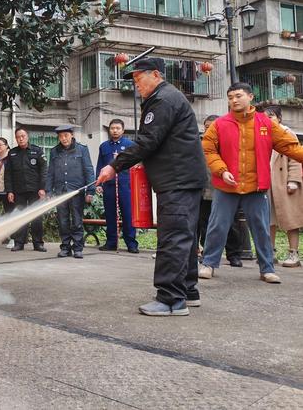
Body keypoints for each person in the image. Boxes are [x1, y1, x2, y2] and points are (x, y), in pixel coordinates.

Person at [97, 57, 208, 317]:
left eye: (138, 79)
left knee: (173, 237)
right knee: (185, 236)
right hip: (182, 179)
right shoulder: (166, 98)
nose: (136, 85)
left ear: (156, 74)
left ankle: (171, 299)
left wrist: (115, 165)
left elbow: (147, 141)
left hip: (177, 180)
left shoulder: (163, 100)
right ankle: (188, 290)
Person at [199, 83, 303, 284]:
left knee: (261, 228)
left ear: (250, 97)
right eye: (230, 97)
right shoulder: (219, 124)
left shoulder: (266, 123)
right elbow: (208, 150)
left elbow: (290, 147)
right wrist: (222, 170)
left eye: (238, 96)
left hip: (256, 186)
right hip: (226, 185)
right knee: (217, 226)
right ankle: (209, 264)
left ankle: (267, 269)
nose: (234, 100)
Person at [197, 115, 247, 267]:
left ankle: (233, 255)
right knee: (206, 224)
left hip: (225, 189)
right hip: (204, 190)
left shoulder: (230, 141)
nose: (208, 129)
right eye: (206, 126)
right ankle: (208, 253)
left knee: (230, 224)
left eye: (211, 126)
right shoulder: (199, 143)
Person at [46, 125, 95, 259]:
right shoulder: (54, 151)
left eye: (66, 135)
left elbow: (89, 170)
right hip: (60, 191)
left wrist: (90, 191)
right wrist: (49, 191)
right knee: (63, 221)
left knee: (77, 220)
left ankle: (78, 248)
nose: (64, 139)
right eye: (61, 136)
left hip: (76, 191)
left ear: (72, 135)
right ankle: (65, 247)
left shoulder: (82, 149)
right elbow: (50, 173)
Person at [263, 106, 303, 268]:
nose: (268, 120)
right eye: (265, 118)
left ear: (279, 118)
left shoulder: (287, 133)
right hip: (268, 184)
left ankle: (294, 253)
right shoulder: (263, 135)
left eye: (271, 117)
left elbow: (295, 158)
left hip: (285, 183)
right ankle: (270, 251)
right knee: (269, 219)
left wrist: (293, 181)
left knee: (290, 219)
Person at [95, 118, 138, 253]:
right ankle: (111, 241)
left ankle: (131, 243)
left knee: (127, 214)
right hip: (109, 184)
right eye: (112, 128)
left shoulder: (130, 144)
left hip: (125, 184)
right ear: (109, 130)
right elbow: (100, 165)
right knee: (110, 214)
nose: (115, 130)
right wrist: (99, 183)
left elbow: (135, 165)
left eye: (117, 128)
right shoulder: (104, 146)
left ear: (123, 130)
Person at [5, 127, 48, 252]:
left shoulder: (37, 151)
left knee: (36, 217)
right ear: (16, 138)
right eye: (18, 137)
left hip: (35, 190)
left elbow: (44, 170)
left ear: (27, 137)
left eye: (23, 136)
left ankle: (38, 244)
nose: (21, 138)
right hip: (19, 191)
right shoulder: (12, 153)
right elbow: (8, 174)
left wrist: (42, 188)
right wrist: (10, 191)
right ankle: (19, 243)